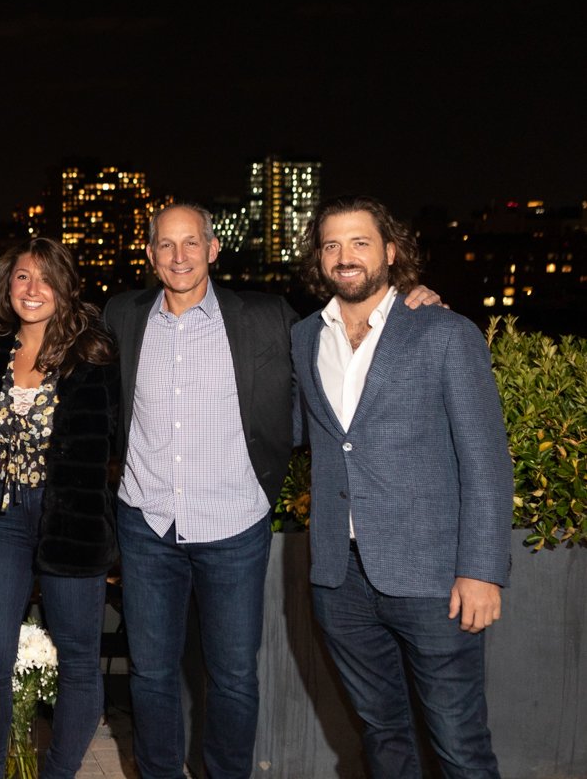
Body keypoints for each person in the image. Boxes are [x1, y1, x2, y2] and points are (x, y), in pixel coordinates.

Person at [103, 203, 442, 779]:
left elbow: (347, 334)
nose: (179, 256)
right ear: (151, 253)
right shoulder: (121, 315)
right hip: (148, 523)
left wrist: (414, 302)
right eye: (166, 245)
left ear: (213, 249)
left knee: (233, 675)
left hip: (235, 523)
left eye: (192, 244)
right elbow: (59, 343)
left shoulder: (266, 316)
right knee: (151, 672)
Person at [292, 195, 512, 777]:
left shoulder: (443, 332)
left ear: (390, 252)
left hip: (433, 578)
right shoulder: (303, 339)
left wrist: (483, 570)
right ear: (319, 259)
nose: (345, 256)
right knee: (382, 737)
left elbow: (486, 460)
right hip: (340, 580)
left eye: (360, 242)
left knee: (459, 743)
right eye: (332, 244)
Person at [0, 237, 118, 779]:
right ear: (7, 285)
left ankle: (59, 772)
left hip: (69, 519)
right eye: (23, 277)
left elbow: (114, 441)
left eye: (46, 278)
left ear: (66, 287)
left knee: (78, 661)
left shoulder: (94, 352)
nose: (33, 289)